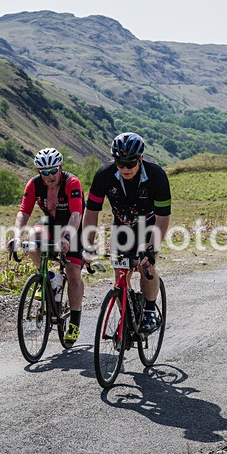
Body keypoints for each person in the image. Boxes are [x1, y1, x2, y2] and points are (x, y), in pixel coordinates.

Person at [82, 132, 171, 335]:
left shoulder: (156, 176)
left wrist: (151, 249)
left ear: (141, 159)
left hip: (149, 226)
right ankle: (126, 320)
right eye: (120, 163)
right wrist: (87, 244)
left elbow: (162, 218)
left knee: (145, 265)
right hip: (122, 227)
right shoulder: (104, 175)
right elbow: (91, 212)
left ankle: (149, 310)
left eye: (130, 164)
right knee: (120, 274)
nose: (125, 169)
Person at [12, 148, 85, 342]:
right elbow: (24, 212)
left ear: (60, 167)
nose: (50, 176)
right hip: (51, 224)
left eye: (53, 171)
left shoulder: (72, 182)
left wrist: (66, 239)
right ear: (39, 172)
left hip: (73, 227)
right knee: (32, 236)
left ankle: (74, 323)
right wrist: (17, 236)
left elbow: (76, 215)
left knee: (73, 272)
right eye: (45, 172)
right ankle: (47, 277)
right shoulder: (34, 184)